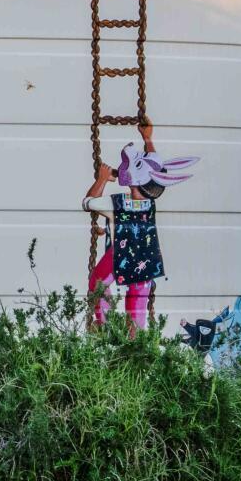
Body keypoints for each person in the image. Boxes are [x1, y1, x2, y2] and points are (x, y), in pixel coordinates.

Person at [82, 120, 193, 327]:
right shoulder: (150, 203)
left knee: (97, 282)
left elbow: (88, 202)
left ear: (139, 180)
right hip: (147, 261)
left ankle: (106, 327)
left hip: (121, 255)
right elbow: (153, 171)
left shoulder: (117, 203)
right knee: (137, 304)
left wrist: (102, 179)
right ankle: (135, 339)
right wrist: (148, 139)